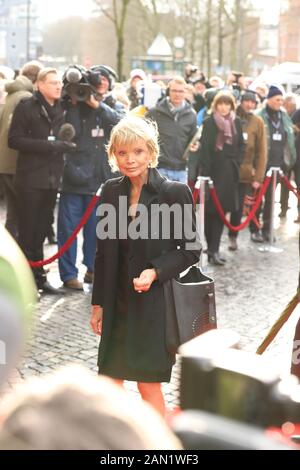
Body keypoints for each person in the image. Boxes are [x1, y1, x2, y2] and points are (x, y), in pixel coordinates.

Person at [90, 116, 201, 416]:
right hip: (117, 303)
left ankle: (157, 448)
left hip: (154, 306)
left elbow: (191, 250)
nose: (130, 160)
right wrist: (98, 303)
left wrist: (156, 270)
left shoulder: (173, 193)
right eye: (122, 153)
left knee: (147, 385)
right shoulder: (111, 191)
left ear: (151, 153)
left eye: (138, 151)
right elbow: (103, 253)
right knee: (109, 384)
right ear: (113, 155)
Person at [0, 366, 182, 450]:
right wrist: (99, 305)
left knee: (148, 383)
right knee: (111, 375)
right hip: (117, 311)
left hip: (152, 312)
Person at [57, 64, 125, 290]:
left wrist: (97, 105)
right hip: (74, 177)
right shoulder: (71, 104)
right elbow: (69, 132)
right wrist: (76, 105)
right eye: (97, 83)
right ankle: (68, 274)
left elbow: (120, 125)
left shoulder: (111, 104)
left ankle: (93, 270)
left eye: (105, 81)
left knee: (98, 231)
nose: (102, 85)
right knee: (68, 230)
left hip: (100, 179)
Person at [8, 68, 74, 294]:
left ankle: (38, 278)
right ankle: (25, 283)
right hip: (30, 179)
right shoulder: (26, 106)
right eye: (53, 82)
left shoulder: (63, 108)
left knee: (43, 230)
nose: (58, 86)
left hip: (52, 179)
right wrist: (51, 146)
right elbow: (14, 140)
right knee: (28, 232)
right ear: (40, 85)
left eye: (59, 83)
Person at [199, 91, 244, 265]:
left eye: (227, 104)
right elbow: (205, 150)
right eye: (220, 104)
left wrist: (237, 162)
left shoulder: (237, 122)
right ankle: (210, 248)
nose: (224, 107)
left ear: (232, 106)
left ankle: (214, 250)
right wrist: (207, 173)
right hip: (212, 172)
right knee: (209, 213)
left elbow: (241, 145)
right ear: (215, 105)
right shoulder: (209, 122)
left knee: (220, 213)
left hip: (230, 173)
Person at [0, 61, 42, 240]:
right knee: (21, 212)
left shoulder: (10, 94)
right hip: (17, 163)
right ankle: (21, 257)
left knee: (12, 212)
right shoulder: (25, 97)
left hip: (5, 161)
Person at [228, 91, 267, 250]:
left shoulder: (258, 122)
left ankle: (233, 237)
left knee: (238, 208)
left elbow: (261, 152)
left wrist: (258, 176)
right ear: (241, 102)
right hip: (227, 172)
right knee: (221, 206)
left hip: (245, 173)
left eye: (253, 102)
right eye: (247, 101)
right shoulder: (230, 117)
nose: (250, 105)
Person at [146, 76, 198, 184]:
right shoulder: (154, 112)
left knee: (180, 201)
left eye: (180, 91)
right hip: (159, 168)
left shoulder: (192, 115)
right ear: (168, 91)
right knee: (158, 201)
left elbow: (193, 139)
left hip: (181, 170)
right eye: (174, 90)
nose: (177, 94)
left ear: (185, 92)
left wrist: (196, 145)